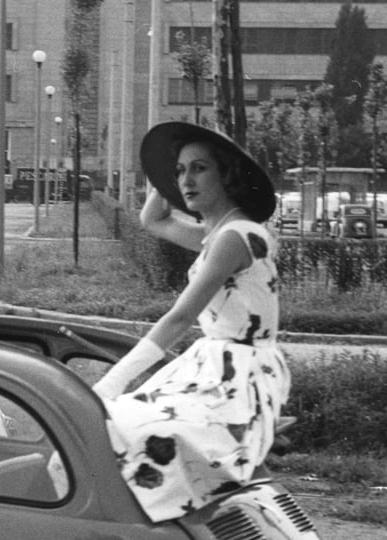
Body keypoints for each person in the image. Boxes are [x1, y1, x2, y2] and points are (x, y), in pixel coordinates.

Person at [90, 122, 291, 522]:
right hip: (216, 365)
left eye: (199, 168)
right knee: (125, 432)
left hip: (241, 375)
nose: (186, 180)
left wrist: (113, 379)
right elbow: (154, 220)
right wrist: (165, 176)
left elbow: (180, 316)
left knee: (137, 431)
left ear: (227, 174)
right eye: (180, 171)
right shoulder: (215, 232)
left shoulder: (235, 237)